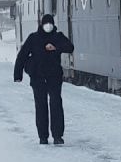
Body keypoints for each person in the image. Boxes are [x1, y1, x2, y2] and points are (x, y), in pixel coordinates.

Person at [13, 13, 75, 145]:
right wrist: (17, 75)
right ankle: (43, 136)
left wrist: (56, 47)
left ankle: (57, 135)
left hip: (54, 76)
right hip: (38, 77)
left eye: (50, 24)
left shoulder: (58, 37)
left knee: (56, 104)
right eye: (46, 24)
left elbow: (70, 47)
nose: (48, 26)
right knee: (41, 105)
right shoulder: (34, 38)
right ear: (41, 25)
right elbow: (22, 55)